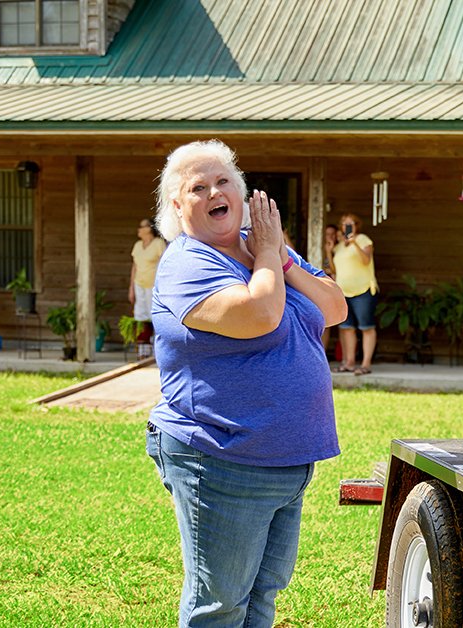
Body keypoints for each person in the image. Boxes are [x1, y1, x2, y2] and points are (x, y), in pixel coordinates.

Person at [145, 140, 347, 627]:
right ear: (177, 205)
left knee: (261, 599)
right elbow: (260, 312)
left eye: (223, 181)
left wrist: (282, 258)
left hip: (284, 459)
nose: (215, 191)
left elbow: (335, 308)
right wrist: (269, 257)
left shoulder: (267, 250)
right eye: (198, 187)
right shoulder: (188, 263)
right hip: (222, 458)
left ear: (241, 191)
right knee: (220, 605)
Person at [331, 213, 378, 375]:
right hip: (343, 292)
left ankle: (366, 364)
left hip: (363, 290)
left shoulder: (363, 239)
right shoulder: (338, 247)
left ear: (357, 225)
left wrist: (355, 244)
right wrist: (328, 251)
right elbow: (334, 270)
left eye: (351, 223)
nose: (347, 226)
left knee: (366, 327)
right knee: (347, 328)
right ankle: (349, 362)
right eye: (344, 224)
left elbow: (366, 260)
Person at [129, 218, 166, 358]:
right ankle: (143, 352)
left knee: (155, 316)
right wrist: (131, 288)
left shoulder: (158, 244)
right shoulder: (137, 245)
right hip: (139, 284)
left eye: (141, 226)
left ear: (149, 228)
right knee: (141, 316)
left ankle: (158, 352)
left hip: (154, 285)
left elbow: (164, 263)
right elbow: (135, 267)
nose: (138, 229)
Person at [319, 223, 339, 358]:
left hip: (332, 287)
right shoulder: (316, 247)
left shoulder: (338, 249)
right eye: (327, 234)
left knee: (327, 323)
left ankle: (323, 353)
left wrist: (329, 252)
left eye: (333, 234)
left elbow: (334, 270)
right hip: (319, 286)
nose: (330, 237)